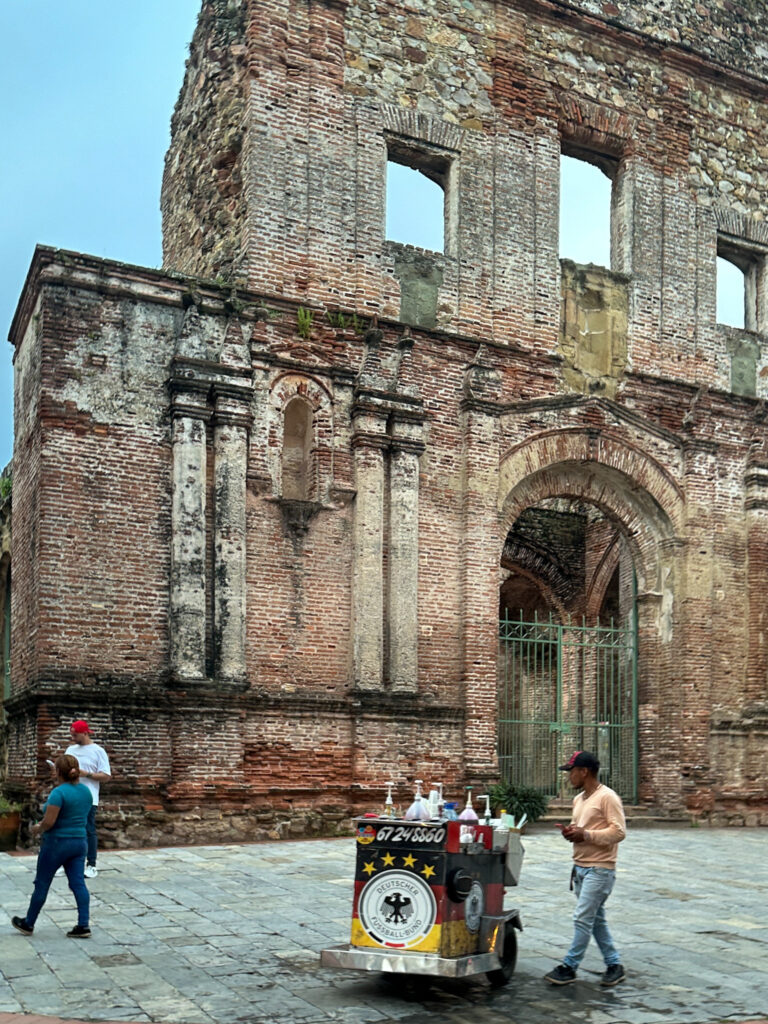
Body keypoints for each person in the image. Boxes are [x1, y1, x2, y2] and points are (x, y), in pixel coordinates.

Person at [544, 750, 626, 988]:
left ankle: (570, 966)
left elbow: (619, 832)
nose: (569, 777)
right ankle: (614, 964)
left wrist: (586, 834)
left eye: (571, 772)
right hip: (579, 867)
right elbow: (582, 828)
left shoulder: (607, 797)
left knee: (582, 918)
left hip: (600, 869)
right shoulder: (579, 800)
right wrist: (572, 832)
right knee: (596, 920)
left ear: (584, 771)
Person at [11, 754, 92, 938]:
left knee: (42, 883)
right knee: (78, 883)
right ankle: (83, 924)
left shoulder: (59, 793)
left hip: (57, 843)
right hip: (79, 842)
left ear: (57, 772)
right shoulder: (85, 791)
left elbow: (49, 822)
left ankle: (28, 923)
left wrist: (37, 829)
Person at [66, 719, 111, 878]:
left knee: (88, 830)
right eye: (71, 734)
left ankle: (91, 865)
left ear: (85, 733)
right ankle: (67, 863)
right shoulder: (70, 749)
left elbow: (106, 776)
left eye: (75, 735)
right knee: (67, 829)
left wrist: (87, 774)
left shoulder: (98, 751)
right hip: (70, 795)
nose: (73, 738)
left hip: (89, 797)